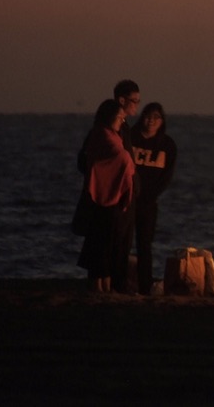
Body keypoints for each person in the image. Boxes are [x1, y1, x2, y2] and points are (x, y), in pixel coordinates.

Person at [77, 99, 136, 293]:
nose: (122, 121)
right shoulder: (103, 136)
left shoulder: (104, 135)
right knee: (102, 246)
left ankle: (104, 288)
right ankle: (100, 288)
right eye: (119, 117)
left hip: (105, 198)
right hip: (103, 199)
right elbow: (123, 159)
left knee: (103, 246)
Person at [130, 102, 177, 296]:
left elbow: (166, 176)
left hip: (148, 202)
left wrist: (150, 196)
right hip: (126, 198)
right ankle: (116, 282)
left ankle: (145, 285)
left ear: (162, 121)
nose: (151, 121)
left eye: (156, 117)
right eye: (148, 116)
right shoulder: (130, 138)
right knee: (120, 242)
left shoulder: (167, 145)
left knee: (145, 245)